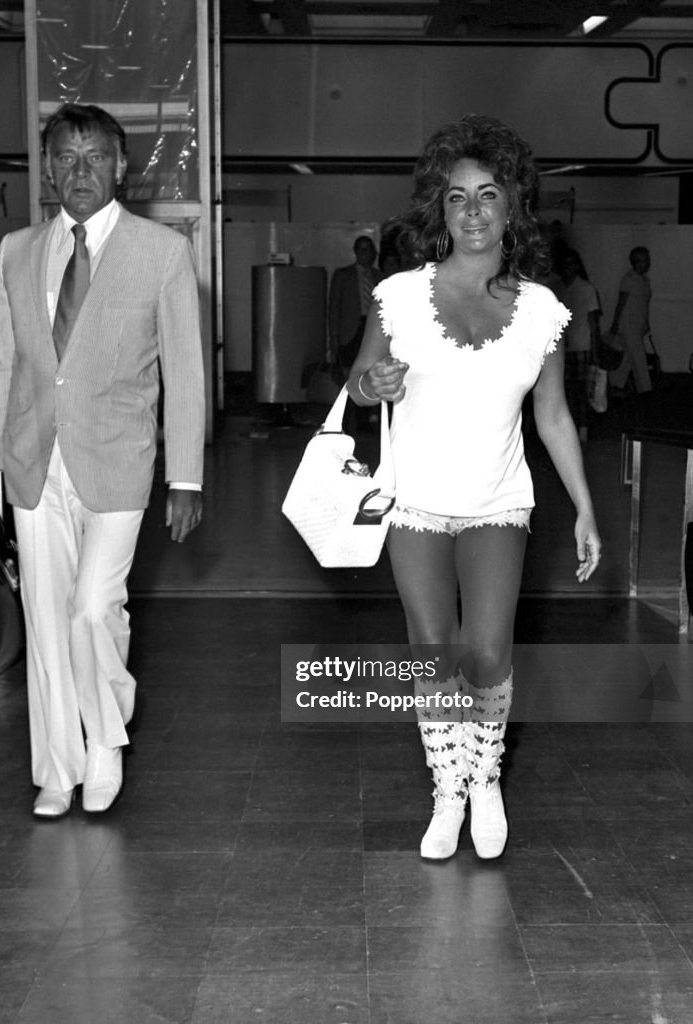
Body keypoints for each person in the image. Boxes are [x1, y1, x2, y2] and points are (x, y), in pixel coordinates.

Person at [348, 114, 601, 861]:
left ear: (514, 205)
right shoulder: (397, 295)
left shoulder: (544, 312)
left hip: (498, 501)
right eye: (458, 198)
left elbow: (553, 417)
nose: (474, 212)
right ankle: (447, 790)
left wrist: (585, 506)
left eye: (489, 195)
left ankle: (484, 776)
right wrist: (374, 382)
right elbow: (359, 387)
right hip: (416, 503)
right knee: (433, 653)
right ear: (440, 209)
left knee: (486, 652)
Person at [0, 103, 206, 820]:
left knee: (94, 610)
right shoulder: (17, 250)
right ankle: (57, 770)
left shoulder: (161, 252)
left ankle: (105, 737)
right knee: (45, 615)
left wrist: (183, 477)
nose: (80, 171)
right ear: (46, 167)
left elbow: (184, 373)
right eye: (65, 157)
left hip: (120, 460)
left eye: (95, 156)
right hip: (32, 459)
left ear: (122, 166)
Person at [557, 248, 601, 446]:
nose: (569, 268)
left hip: (581, 346)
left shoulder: (586, 288)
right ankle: (568, 429)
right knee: (563, 391)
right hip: (559, 348)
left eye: (572, 264)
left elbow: (593, 323)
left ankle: (583, 430)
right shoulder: (555, 287)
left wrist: (595, 350)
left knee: (582, 391)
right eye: (565, 264)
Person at [328, 235, 383, 372]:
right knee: (348, 367)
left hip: (372, 327)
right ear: (356, 252)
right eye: (362, 250)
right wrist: (334, 339)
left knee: (370, 368)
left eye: (369, 250)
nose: (365, 254)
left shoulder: (378, 276)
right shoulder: (343, 275)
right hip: (350, 330)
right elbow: (334, 308)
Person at [608, 246, 652, 394]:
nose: (647, 263)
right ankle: (646, 389)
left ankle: (616, 384)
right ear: (636, 262)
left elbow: (644, 304)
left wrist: (646, 322)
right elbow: (620, 303)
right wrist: (615, 324)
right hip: (627, 325)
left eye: (647, 260)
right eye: (644, 260)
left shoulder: (645, 280)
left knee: (629, 356)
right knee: (639, 356)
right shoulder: (627, 280)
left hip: (639, 324)